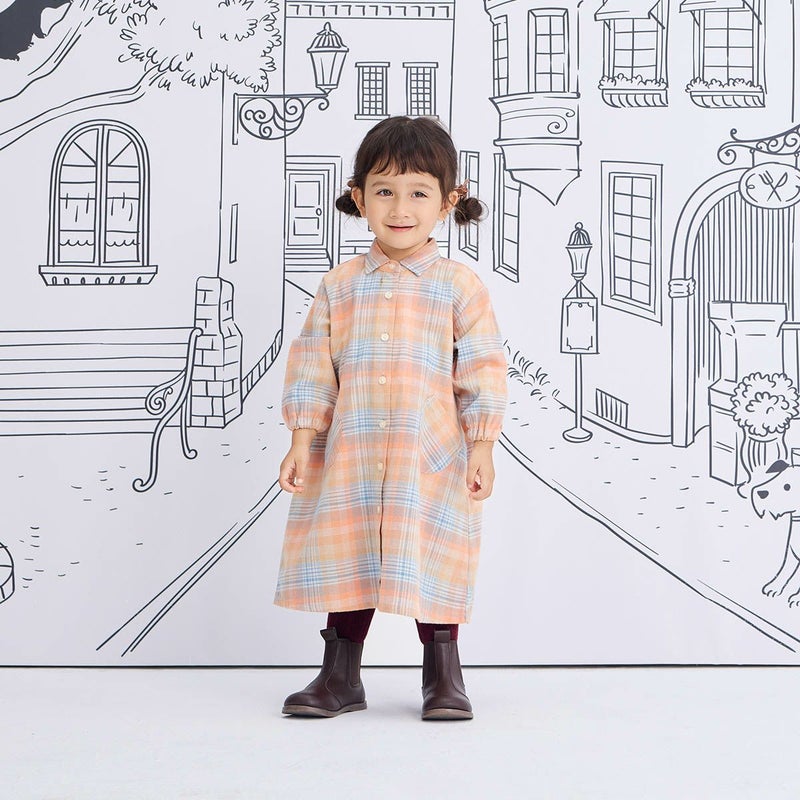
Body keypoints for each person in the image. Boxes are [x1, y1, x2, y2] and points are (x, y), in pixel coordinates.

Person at [276, 116, 508, 721]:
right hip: (351, 452)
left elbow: (482, 367)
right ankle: (339, 676)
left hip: (428, 454)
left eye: (418, 192)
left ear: (448, 201)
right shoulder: (340, 286)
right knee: (351, 552)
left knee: (433, 552)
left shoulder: (459, 286)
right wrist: (302, 437)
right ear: (359, 198)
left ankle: (444, 676)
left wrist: (482, 445)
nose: (400, 208)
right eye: (384, 191)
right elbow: (312, 365)